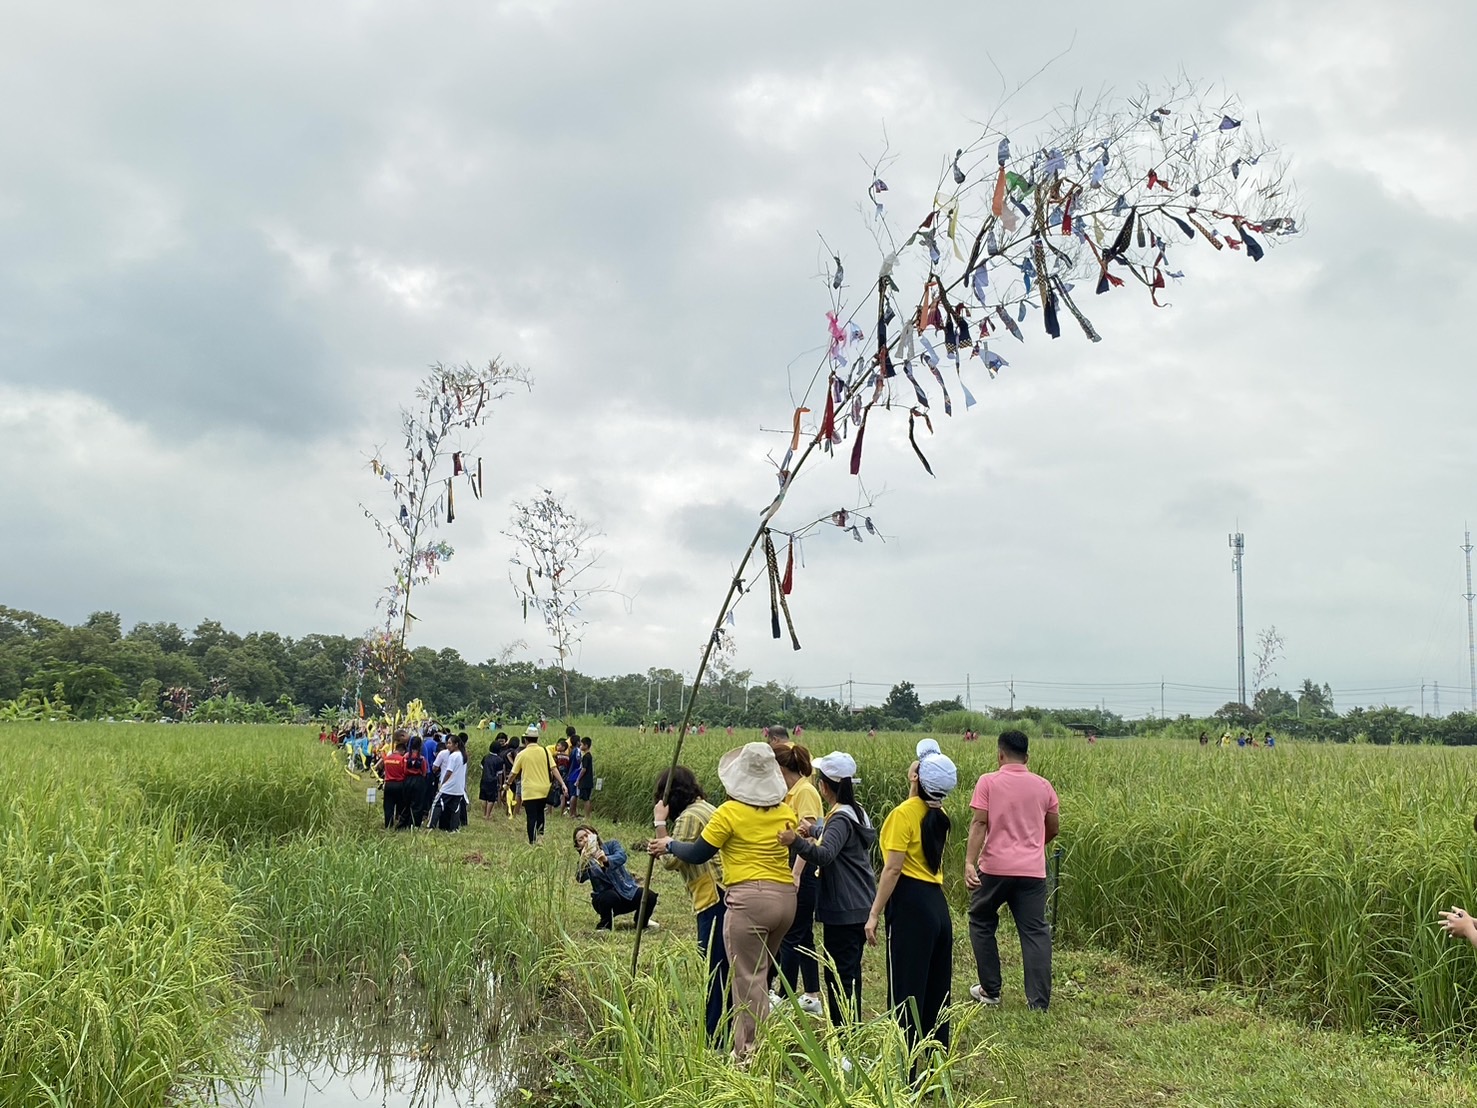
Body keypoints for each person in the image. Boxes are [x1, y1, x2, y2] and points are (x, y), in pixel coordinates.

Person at [649, 742, 797, 1063]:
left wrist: (671, 843)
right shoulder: (786, 811)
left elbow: (699, 852)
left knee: (745, 979)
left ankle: (746, 1054)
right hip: (785, 901)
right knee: (761, 974)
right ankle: (759, 1042)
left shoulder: (729, 813)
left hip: (749, 901)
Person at [865, 738, 957, 1059]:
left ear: (917, 777)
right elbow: (918, 809)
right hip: (937, 907)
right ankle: (934, 1059)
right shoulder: (939, 816)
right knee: (936, 988)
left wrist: (875, 913)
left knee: (906, 989)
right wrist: (916, 786)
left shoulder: (901, 816)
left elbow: (892, 870)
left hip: (910, 906)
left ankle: (906, 1065)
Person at [964, 729, 1060, 1011]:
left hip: (994, 868)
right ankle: (1038, 1003)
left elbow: (979, 824)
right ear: (1027, 757)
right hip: (1032, 871)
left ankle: (990, 990)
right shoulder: (1043, 786)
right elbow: (1053, 825)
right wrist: (1032, 847)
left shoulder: (988, 782)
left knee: (981, 919)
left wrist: (970, 862)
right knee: (1035, 932)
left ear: (1000, 754)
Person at [777, 750, 875, 1024]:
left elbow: (825, 855)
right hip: (859, 902)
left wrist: (794, 842)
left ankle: (846, 1040)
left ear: (823, 786)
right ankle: (851, 1030)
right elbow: (837, 836)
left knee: (838, 978)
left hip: (843, 906)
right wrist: (816, 829)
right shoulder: (855, 812)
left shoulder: (840, 818)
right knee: (849, 973)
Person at [653, 765, 730, 1045]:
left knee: (715, 969)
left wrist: (659, 823)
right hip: (727, 892)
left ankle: (715, 1038)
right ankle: (725, 1031)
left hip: (713, 896)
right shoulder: (707, 807)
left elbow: (671, 859)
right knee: (726, 969)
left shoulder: (688, 816)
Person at [770, 739, 825, 1017]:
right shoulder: (792, 792)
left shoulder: (805, 792)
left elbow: (809, 837)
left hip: (804, 871)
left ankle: (783, 995)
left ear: (781, 768)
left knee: (792, 935)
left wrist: (796, 874)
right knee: (802, 936)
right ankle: (811, 995)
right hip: (796, 869)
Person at [574, 824, 659, 931]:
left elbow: (622, 857)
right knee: (610, 897)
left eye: (587, 835)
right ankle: (605, 925)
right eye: (580, 840)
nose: (585, 840)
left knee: (649, 896)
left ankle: (642, 922)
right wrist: (584, 861)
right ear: (578, 845)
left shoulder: (612, 845)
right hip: (605, 899)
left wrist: (606, 860)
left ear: (595, 835)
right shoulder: (585, 861)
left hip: (626, 891)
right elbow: (580, 878)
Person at [511, 726, 567, 843]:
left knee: (531, 816)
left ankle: (532, 841)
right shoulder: (545, 751)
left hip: (529, 790)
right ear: (537, 739)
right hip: (544, 789)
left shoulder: (522, 754)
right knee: (540, 813)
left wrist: (507, 783)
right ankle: (541, 838)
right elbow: (554, 769)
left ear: (526, 739)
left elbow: (513, 773)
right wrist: (563, 783)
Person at [436, 734, 467, 832]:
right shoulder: (463, 755)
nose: (447, 745)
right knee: (454, 808)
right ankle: (453, 828)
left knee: (436, 804)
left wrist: (443, 783)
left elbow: (448, 772)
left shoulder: (453, 756)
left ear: (456, 744)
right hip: (459, 787)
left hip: (449, 786)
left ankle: (431, 826)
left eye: (449, 743)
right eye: (447, 743)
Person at [480, 733, 509, 820]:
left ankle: (484, 813)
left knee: (484, 798)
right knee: (491, 799)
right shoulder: (499, 760)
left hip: (484, 779)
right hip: (493, 781)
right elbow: (500, 774)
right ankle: (488, 815)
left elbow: (482, 768)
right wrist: (500, 783)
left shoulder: (485, 757)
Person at [576, 736, 595, 818]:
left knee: (586, 799)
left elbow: (583, 769)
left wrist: (578, 779)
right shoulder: (589, 756)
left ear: (586, 746)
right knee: (587, 798)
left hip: (585, 781)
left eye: (582, 744)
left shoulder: (585, 757)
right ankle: (588, 815)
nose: (580, 746)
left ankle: (587, 816)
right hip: (589, 780)